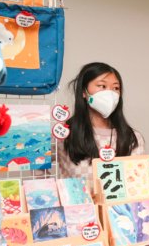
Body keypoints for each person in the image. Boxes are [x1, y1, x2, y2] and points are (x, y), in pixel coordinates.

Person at [58, 62, 144, 191]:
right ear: (84, 92)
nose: (110, 93)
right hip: (78, 204)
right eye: (102, 86)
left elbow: (137, 184)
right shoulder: (64, 132)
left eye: (116, 88)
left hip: (120, 204)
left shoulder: (132, 138)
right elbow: (40, 168)